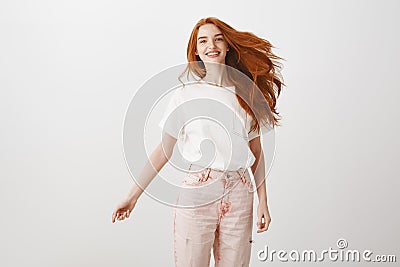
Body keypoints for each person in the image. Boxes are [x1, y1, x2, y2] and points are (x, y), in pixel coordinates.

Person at [112, 17, 285, 267]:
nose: (211, 45)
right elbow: (164, 150)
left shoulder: (246, 94)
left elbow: (256, 153)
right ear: (196, 49)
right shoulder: (184, 95)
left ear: (227, 46)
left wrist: (263, 202)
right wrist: (132, 196)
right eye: (203, 40)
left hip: (239, 192)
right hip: (197, 191)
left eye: (218, 38)